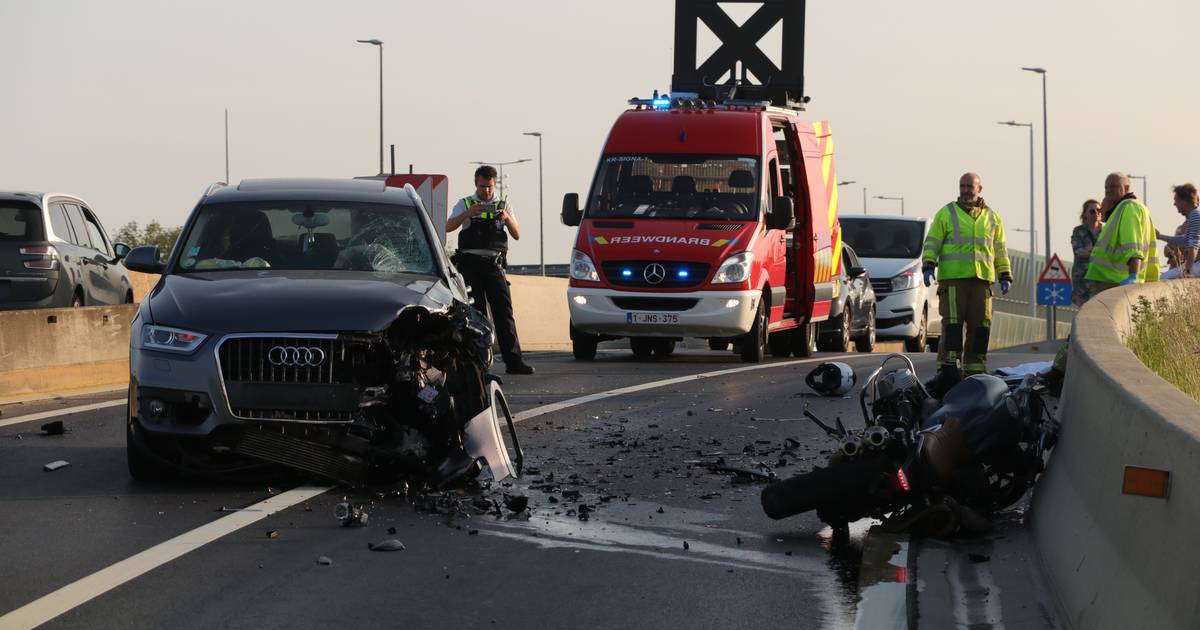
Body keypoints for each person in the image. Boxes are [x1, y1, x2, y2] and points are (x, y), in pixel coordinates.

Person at [922, 173, 1013, 385]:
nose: (965, 190)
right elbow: (932, 241)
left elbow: (1000, 249)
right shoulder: (947, 213)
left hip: (982, 280)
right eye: (962, 186)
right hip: (953, 280)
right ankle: (948, 369)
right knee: (952, 325)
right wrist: (928, 264)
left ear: (979, 189)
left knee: (981, 326)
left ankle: (975, 370)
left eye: (969, 186)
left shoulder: (992, 217)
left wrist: (1005, 273)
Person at [446, 165, 534, 375]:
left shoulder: (503, 205)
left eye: (490, 187)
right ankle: (478, 365)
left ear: (495, 185)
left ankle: (514, 362)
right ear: (476, 183)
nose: (486, 191)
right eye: (483, 186)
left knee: (504, 314)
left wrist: (506, 218)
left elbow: (517, 234)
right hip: (471, 266)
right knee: (476, 316)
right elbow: (448, 226)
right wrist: (468, 214)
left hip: (494, 266)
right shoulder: (465, 203)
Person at [1084, 172, 1160, 294]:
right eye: (1106, 187)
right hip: (1116, 280)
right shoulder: (1134, 207)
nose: (1108, 191)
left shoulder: (1128, 207)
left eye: (1113, 187)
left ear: (1126, 188)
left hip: (1114, 281)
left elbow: (1133, 245)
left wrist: (1133, 276)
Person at [1155, 183, 1200, 279]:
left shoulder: (1196, 216)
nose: (1174, 204)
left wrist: (1186, 272)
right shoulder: (1194, 215)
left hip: (1197, 266)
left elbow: (1194, 247)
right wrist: (1160, 236)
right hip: (1195, 264)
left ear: (1184, 202)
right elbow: (1184, 240)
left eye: (1176, 200)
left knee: (1162, 279)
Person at [1070, 199, 1104, 306]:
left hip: (1101, 278)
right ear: (1085, 214)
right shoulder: (1079, 231)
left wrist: (1090, 250)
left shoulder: (1106, 231)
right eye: (1092, 211)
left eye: (1098, 210)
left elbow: (1111, 252)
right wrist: (1099, 252)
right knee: (1086, 311)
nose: (1096, 213)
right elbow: (1078, 252)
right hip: (1082, 281)